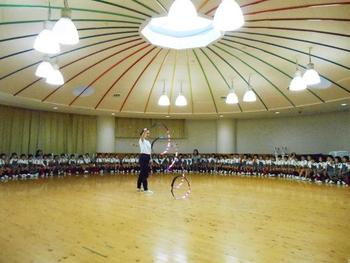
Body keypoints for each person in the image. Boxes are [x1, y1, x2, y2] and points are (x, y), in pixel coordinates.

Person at [137, 128, 153, 194]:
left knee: (142, 173)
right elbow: (142, 136)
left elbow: (149, 151)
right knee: (144, 174)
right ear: (143, 133)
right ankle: (145, 189)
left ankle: (138, 187)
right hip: (143, 157)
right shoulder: (141, 140)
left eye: (148, 133)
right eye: (147, 133)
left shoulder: (148, 142)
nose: (148, 134)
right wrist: (144, 130)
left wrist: (150, 158)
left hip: (147, 157)